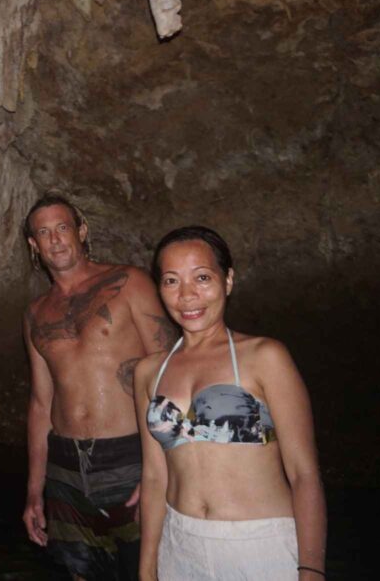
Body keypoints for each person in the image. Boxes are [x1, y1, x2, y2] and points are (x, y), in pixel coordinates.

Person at [133, 226, 326, 581]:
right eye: (172, 281)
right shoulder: (149, 372)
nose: (187, 295)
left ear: (228, 280)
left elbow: (304, 474)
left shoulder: (266, 357)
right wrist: (147, 569)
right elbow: (154, 477)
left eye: (202, 277)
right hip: (179, 545)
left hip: (259, 545)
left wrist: (311, 570)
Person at [22, 192, 177, 581]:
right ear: (34, 246)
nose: (55, 239)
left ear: (82, 231)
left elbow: (170, 374)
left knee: (147, 570)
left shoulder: (129, 283)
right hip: (65, 468)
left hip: (129, 456)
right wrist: (34, 490)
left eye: (63, 228)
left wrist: (161, 467)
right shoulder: (36, 313)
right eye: (44, 233)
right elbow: (42, 404)